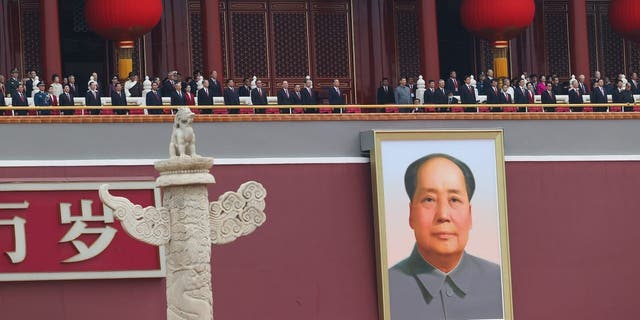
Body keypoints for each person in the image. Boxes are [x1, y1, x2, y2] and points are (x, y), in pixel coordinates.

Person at [389, 154, 503, 320]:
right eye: (429, 199)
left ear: (470, 215)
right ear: (411, 214)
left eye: (454, 200)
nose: (443, 215)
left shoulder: (500, 282)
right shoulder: (388, 287)